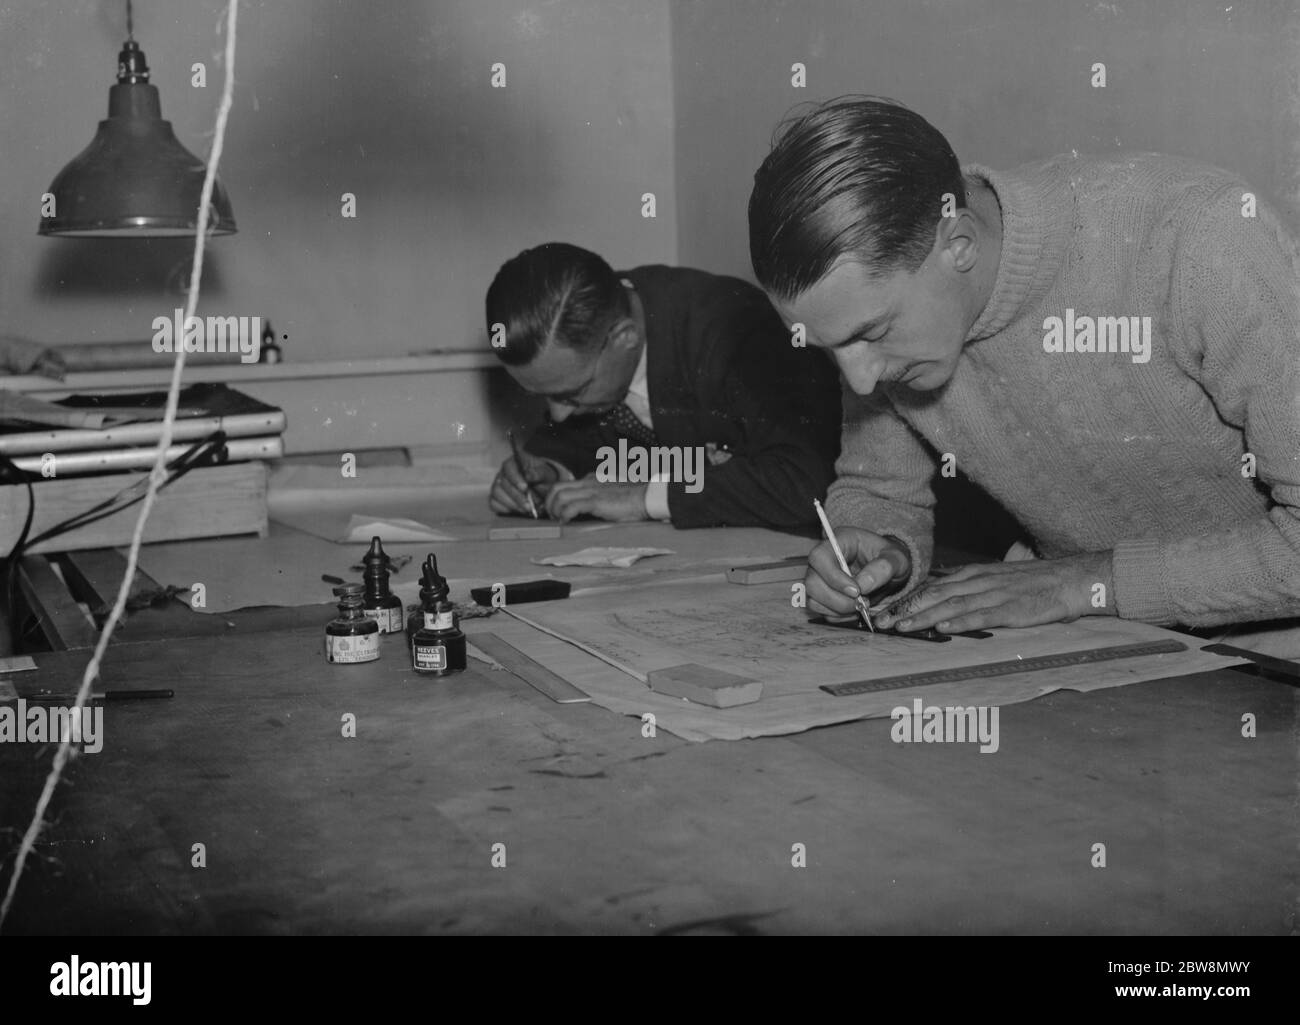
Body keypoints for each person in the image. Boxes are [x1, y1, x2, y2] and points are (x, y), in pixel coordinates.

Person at [747, 96, 1300, 654]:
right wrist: (882, 550)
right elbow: (879, 488)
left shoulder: (1202, 238)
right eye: (826, 347)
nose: (861, 381)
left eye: (870, 332)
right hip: (1106, 635)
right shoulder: (878, 312)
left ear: (957, 245)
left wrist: (1088, 580)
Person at [484, 243, 841, 531]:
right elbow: (577, 443)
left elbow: (806, 483)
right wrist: (547, 473)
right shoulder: (588, 325)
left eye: (570, 394)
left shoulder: (737, 331)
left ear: (624, 337)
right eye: (545, 396)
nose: (558, 415)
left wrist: (646, 497)